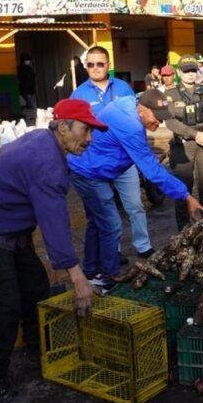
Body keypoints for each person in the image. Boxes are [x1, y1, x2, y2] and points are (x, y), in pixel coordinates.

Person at [0, 98, 105, 403]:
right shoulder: (46, 160)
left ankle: (39, 351)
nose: (89, 139)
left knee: (34, 286)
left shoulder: (44, 142)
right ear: (63, 127)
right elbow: (55, 225)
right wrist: (78, 279)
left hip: (8, 229)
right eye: (85, 130)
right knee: (5, 302)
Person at [69, 92, 203, 291]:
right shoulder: (130, 125)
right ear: (142, 109)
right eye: (156, 117)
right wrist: (186, 195)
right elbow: (152, 171)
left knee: (97, 222)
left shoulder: (130, 104)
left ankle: (91, 271)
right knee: (111, 224)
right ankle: (108, 276)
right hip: (89, 172)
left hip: (92, 167)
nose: (159, 123)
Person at [70, 46, 153, 259]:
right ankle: (113, 251)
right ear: (86, 66)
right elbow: (72, 130)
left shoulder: (124, 88)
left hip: (125, 160)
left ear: (109, 65)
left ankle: (143, 246)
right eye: (90, 64)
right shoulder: (79, 94)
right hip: (96, 164)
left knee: (135, 205)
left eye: (100, 63)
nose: (95, 68)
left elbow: (138, 120)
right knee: (107, 211)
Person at [162, 56, 203, 230]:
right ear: (179, 72)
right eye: (186, 71)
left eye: (193, 70)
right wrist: (194, 134)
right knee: (182, 189)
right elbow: (170, 122)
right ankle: (184, 232)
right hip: (183, 146)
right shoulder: (169, 95)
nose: (191, 74)